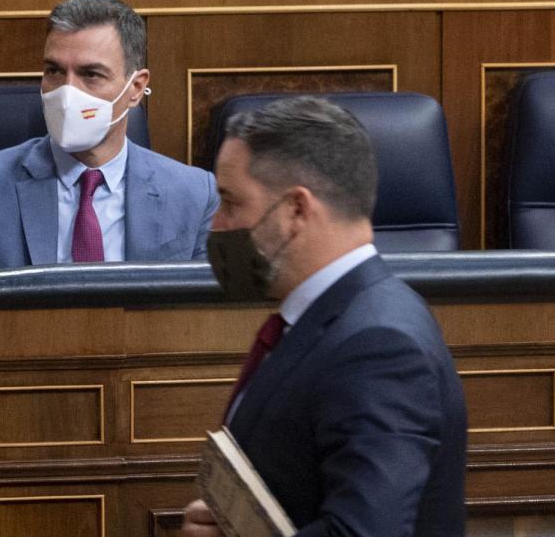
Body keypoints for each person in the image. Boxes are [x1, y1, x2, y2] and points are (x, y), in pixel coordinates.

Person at [183, 97, 467, 537]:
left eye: (231, 202)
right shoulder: (328, 320)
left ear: (296, 209)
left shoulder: (380, 344)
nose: (217, 226)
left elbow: (365, 532)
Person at [0, 0, 219, 375]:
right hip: (13, 404)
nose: (66, 93)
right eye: (54, 71)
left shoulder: (194, 194)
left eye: (90, 75)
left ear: (135, 88)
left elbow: (208, 334)